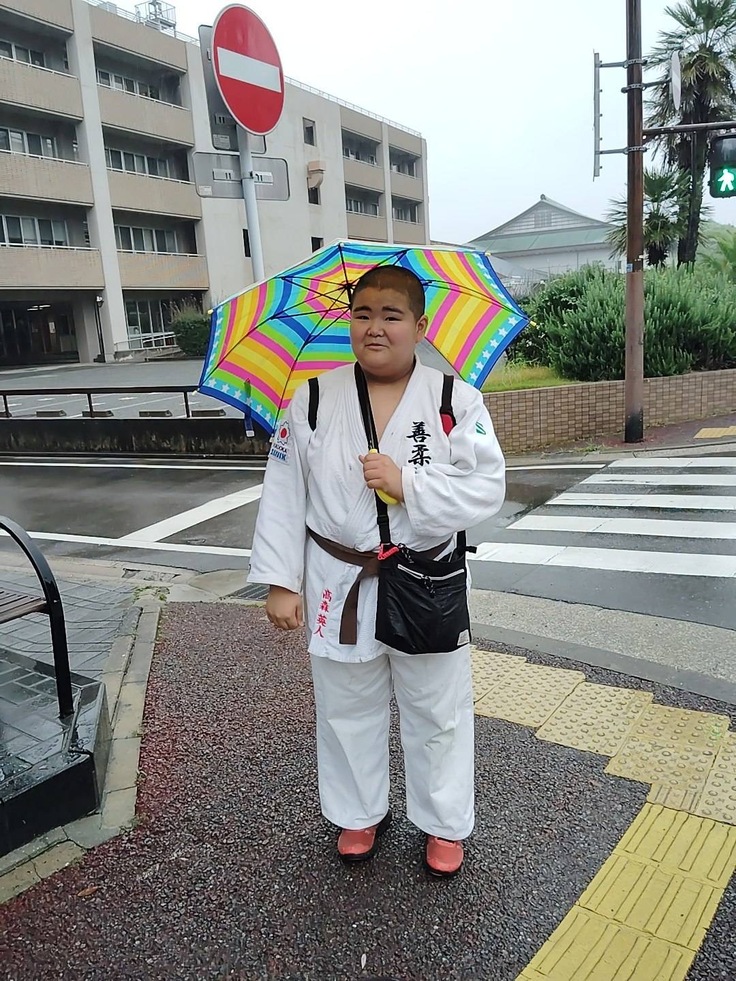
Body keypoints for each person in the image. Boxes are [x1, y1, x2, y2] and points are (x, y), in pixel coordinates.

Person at [248, 265, 506, 877]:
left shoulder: (454, 399)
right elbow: (283, 489)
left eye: (391, 315)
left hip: (426, 577)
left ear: (420, 325)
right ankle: (357, 812)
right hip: (340, 578)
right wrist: (282, 580)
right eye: (362, 314)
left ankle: (443, 823)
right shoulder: (313, 398)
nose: (375, 327)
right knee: (346, 706)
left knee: (437, 708)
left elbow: (487, 487)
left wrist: (406, 482)